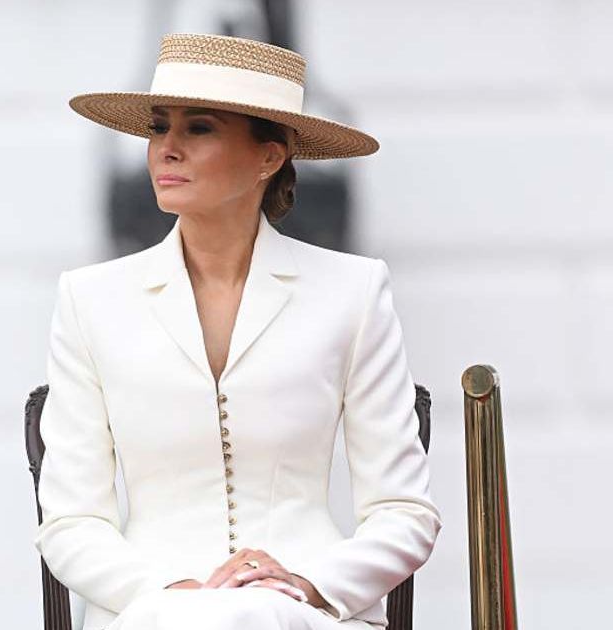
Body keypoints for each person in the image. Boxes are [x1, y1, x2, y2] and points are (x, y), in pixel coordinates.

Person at [35, 34, 441, 630]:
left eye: (198, 128)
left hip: (303, 613)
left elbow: (403, 512)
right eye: (157, 127)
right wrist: (172, 592)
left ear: (268, 157)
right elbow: (70, 519)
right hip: (148, 610)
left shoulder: (353, 291)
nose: (165, 149)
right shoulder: (88, 299)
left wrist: (307, 585)